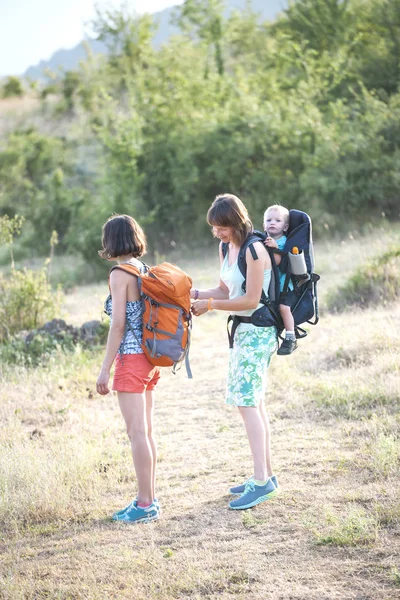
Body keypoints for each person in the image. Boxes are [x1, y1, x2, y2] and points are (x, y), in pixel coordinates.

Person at [191, 194, 279, 510]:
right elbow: (227, 291)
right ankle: (265, 475)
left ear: (236, 222)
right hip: (243, 332)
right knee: (253, 401)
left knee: (246, 402)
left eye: (222, 228)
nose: (217, 233)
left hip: (259, 331)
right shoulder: (225, 248)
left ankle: (260, 483)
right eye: (215, 228)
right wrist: (196, 295)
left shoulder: (255, 250)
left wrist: (211, 305)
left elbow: (251, 300)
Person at [96, 214, 161, 524]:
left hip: (132, 360)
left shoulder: (119, 274)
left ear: (111, 241)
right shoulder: (142, 269)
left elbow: (118, 325)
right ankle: (146, 498)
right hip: (150, 358)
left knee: (137, 433)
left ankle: (145, 503)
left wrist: (105, 369)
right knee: (144, 432)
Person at [263, 204, 297, 355]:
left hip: (285, 285)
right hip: (271, 286)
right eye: (269, 220)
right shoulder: (262, 240)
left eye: (277, 220)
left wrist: (275, 248)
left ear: (285, 226)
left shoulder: (284, 242)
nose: (272, 222)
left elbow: (281, 262)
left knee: (284, 308)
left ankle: (291, 337)